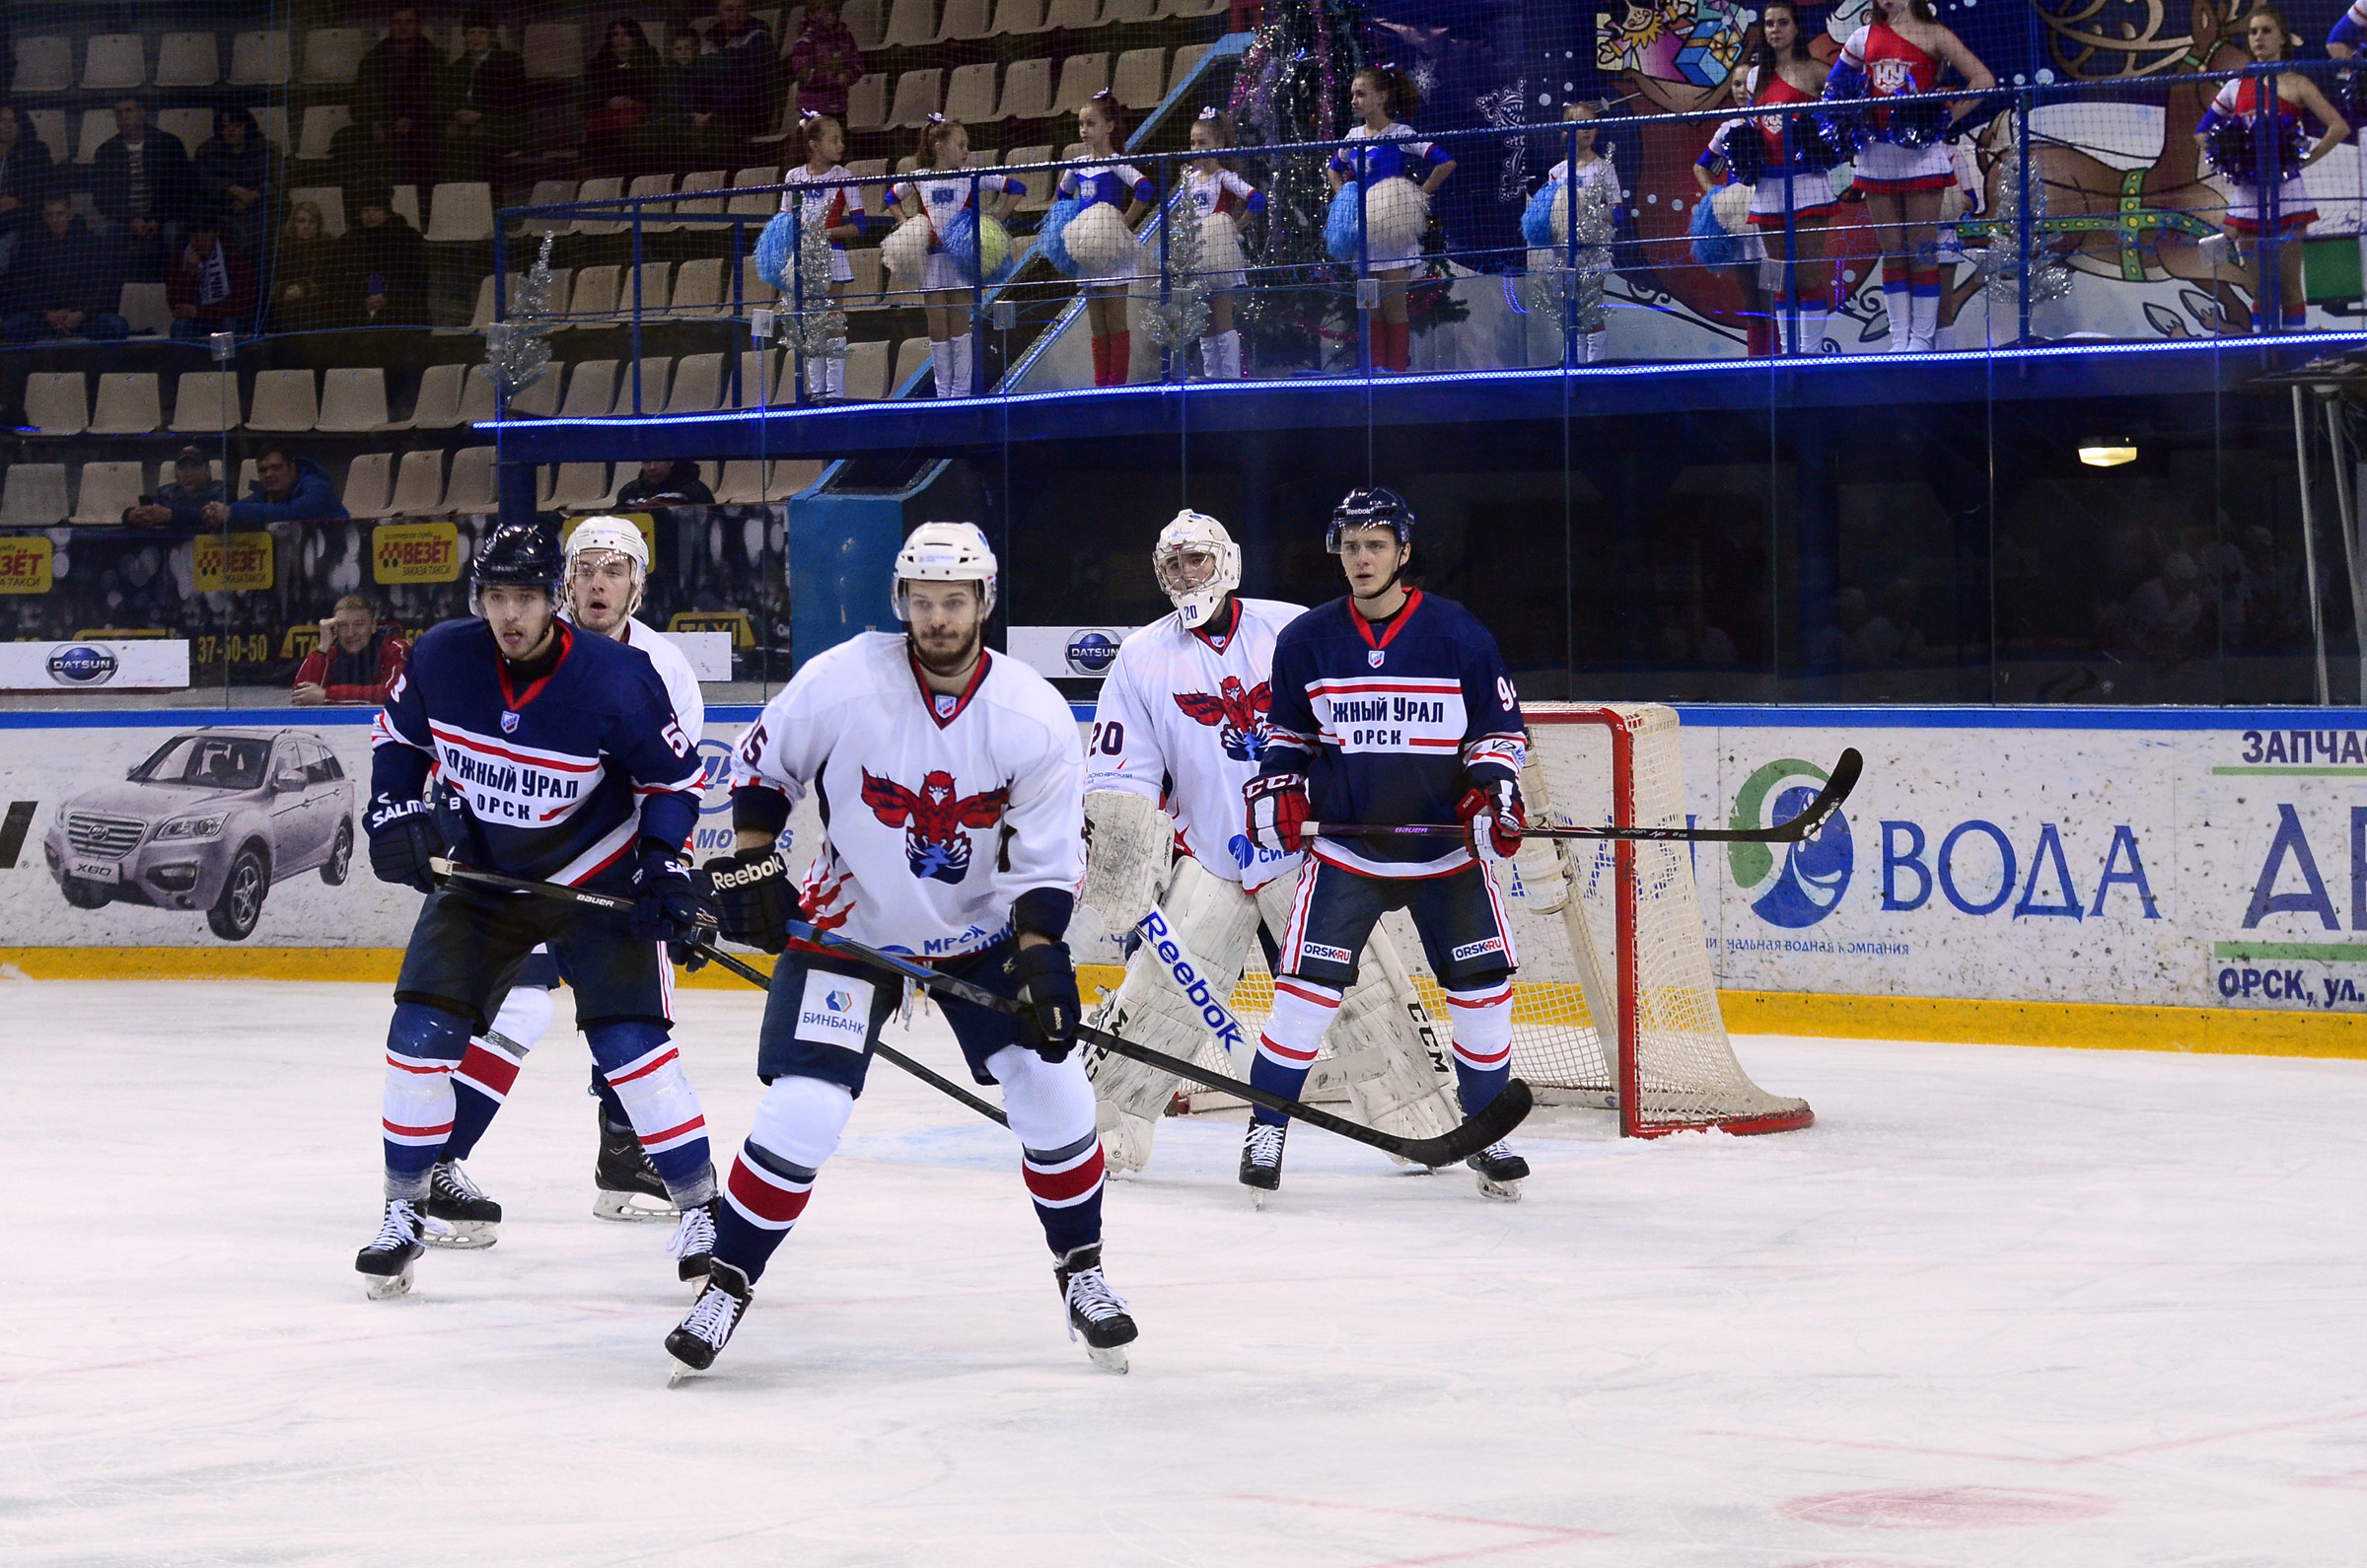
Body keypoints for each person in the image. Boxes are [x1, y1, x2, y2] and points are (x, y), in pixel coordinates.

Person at [679, 521, 1136, 1377]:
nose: (937, 619)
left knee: (1055, 1093)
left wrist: (1040, 956)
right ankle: (728, 1283)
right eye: (923, 602)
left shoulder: (1031, 712)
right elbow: (763, 770)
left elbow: (1045, 858)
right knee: (804, 1111)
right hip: (846, 933)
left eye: (954, 602)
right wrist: (752, 860)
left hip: (981, 938)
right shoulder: (841, 680)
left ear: (982, 604)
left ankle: (1083, 1273)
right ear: (902, 602)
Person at [355, 521, 717, 1299]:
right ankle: (402, 1211)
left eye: (525, 597)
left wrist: (665, 868)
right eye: (496, 597)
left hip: (596, 881)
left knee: (631, 1048)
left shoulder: (620, 677)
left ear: (553, 599)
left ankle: (698, 1210)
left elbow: (673, 782)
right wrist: (392, 810)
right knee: (417, 1038)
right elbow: (399, 740)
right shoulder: (443, 658)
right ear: (477, 598)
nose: (510, 615)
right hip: (486, 878)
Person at [1079, 512, 1460, 1175]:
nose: (1186, 575)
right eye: (1174, 565)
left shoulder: (1292, 628)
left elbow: (1363, 709)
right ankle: (1103, 1129)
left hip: (1308, 853)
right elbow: (1121, 770)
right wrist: (1122, 854)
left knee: (1364, 989)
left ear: (1226, 562)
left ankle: (1423, 1121)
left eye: (1197, 560)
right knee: (1161, 996)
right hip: (1213, 856)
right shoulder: (1141, 656)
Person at [1239, 487, 1532, 1200]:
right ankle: (1267, 1125)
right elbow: (1287, 738)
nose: (1361, 557)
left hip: (1445, 853)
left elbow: (1499, 732)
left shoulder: (1459, 636)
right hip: (1348, 852)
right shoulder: (1307, 640)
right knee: (1305, 993)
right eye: (1350, 544)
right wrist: (1282, 789)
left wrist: (1491, 786)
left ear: (1403, 551)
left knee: (1482, 990)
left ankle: (1486, 1128)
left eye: (1375, 544)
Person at [1822, 0, 1993, 352]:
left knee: (1923, 251)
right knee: (1893, 252)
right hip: (1876, 158)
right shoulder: (1862, 37)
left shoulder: (1935, 34)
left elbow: (1983, 80)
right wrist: (1849, 122)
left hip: (1922, 158)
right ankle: (1900, 339)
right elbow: (1831, 92)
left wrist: (1943, 119)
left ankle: (1922, 338)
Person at [2197, 5, 2348, 333]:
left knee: (2290, 286)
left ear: (2282, 38)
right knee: (2261, 290)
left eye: (2266, 31)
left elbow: (2338, 127)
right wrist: (2230, 161)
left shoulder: (2297, 83)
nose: (2258, 38)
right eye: (2253, 32)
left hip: (2289, 196)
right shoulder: (2236, 87)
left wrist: (2304, 160)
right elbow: (2201, 133)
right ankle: (2266, 362)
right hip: (2247, 198)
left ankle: (2293, 367)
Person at [1715, 3, 1841, 355]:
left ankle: (1811, 352)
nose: (1774, 30)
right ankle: (1788, 352)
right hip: (1768, 188)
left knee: (1808, 277)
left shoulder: (1818, 72)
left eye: (1782, 22)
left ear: (1796, 28)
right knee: (1779, 277)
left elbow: (1841, 123)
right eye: (1769, 23)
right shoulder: (1755, 77)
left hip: (1808, 185)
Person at [1328, 65, 1454, 373]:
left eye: (1361, 94)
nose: (1354, 100)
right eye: (1352, 95)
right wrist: (1345, 197)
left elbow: (1445, 162)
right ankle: (1374, 378)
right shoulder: (1353, 136)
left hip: (1393, 235)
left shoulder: (1400, 134)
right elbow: (1333, 167)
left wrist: (1417, 197)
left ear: (1381, 97)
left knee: (1395, 309)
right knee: (1370, 309)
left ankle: (1396, 377)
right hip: (1363, 234)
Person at [894, 116, 1023, 397]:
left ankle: (962, 394)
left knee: (960, 327)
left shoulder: (972, 175)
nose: (966, 151)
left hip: (962, 262)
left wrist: (998, 217)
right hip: (932, 262)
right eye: (960, 145)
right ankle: (943, 395)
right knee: (937, 328)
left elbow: (1016, 187)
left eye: (967, 145)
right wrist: (906, 223)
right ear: (940, 147)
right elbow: (892, 196)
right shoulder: (919, 178)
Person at [1060, 92, 1154, 389]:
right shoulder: (1076, 165)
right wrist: (1071, 222)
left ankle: (1118, 386)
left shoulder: (1116, 163)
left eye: (1091, 123)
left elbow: (1145, 187)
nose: (1084, 130)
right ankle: (1101, 385)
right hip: (1088, 253)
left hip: (1112, 251)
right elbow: (1062, 197)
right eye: (1081, 125)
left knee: (1115, 321)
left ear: (1110, 127)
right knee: (1097, 324)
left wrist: (1124, 221)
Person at [783, 110, 867, 399]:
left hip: (832, 255)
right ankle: (816, 390)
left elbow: (860, 226)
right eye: (833, 140)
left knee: (832, 320)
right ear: (814, 145)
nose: (841, 145)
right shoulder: (793, 176)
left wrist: (824, 234)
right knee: (811, 323)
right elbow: (785, 222)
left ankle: (835, 393)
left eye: (841, 139)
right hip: (805, 257)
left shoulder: (844, 176)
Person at [1182, 109, 1262, 381]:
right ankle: (1210, 378)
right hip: (1197, 253)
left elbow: (1257, 199)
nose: (1196, 148)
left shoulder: (1225, 177)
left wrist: (1237, 225)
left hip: (1220, 255)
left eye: (1203, 142)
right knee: (1204, 323)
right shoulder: (1189, 181)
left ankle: (1230, 379)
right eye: (1193, 142)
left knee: (1222, 318)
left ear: (1218, 144)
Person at [1542, 102, 1624, 365]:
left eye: (1591, 125)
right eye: (1580, 125)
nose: (1587, 131)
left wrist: (1588, 216)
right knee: (1569, 310)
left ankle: (1595, 367)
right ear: (1567, 131)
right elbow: (1549, 214)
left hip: (1593, 250)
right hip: (1563, 252)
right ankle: (1573, 364)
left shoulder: (1604, 168)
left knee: (1590, 309)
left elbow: (1618, 213)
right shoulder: (1557, 172)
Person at [91, 96, 192, 280]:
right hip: (124, 219)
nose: (123, 117)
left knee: (173, 233)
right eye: (118, 113)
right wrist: (130, 219)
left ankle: (177, 291)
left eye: (129, 111)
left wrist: (156, 219)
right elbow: (100, 198)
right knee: (102, 233)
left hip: (163, 217)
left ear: (142, 113)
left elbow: (181, 190)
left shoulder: (169, 144)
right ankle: (112, 296)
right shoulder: (106, 151)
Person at [2, 192, 127, 342]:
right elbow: (23, 287)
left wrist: (81, 314)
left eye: (60, 214)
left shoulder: (91, 244)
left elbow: (103, 287)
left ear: (69, 214)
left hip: (83, 320)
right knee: (11, 327)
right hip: (45, 322)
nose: (55, 220)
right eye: (50, 215)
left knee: (116, 325)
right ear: (44, 217)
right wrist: (46, 314)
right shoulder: (32, 247)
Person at [353, 5, 448, 189]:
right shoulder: (372, 61)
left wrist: (413, 120)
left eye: (408, 21)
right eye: (397, 22)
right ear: (390, 26)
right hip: (381, 126)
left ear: (418, 26)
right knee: (346, 139)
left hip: (421, 127)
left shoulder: (434, 59)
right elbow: (357, 104)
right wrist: (375, 123)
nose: (402, 26)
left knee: (423, 144)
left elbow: (442, 101)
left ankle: (422, 208)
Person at [444, 11, 527, 187]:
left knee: (476, 144)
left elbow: (514, 105)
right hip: (466, 127)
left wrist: (482, 117)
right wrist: (456, 114)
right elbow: (448, 101)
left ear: (492, 37)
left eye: (482, 33)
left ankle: (487, 202)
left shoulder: (510, 63)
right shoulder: (456, 67)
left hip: (501, 125)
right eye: (471, 33)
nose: (476, 38)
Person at [580, 19, 665, 178]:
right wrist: (608, 101)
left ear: (635, 37)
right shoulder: (597, 64)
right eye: (615, 34)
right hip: (607, 119)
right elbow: (588, 97)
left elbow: (654, 91)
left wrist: (632, 102)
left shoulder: (649, 59)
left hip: (640, 118)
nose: (619, 39)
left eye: (626, 34)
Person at [700, 0, 784, 157]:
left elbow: (752, 87)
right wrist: (696, 114)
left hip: (747, 114)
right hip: (710, 115)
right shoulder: (708, 41)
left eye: (740, 8)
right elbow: (699, 82)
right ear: (718, 12)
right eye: (729, 9)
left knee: (716, 134)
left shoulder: (759, 38)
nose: (735, 14)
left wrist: (713, 115)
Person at [294, 594, 410, 706]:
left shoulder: (396, 648)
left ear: (373, 626)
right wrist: (323, 648)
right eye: (343, 625)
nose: (350, 633)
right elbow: (301, 695)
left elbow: (394, 693)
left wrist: (327, 695)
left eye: (358, 624)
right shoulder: (331, 651)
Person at [194, 107, 280, 257]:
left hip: (259, 208)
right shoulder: (206, 151)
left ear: (247, 125)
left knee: (264, 231)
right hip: (222, 211)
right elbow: (203, 182)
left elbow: (279, 182)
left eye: (236, 125)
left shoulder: (269, 149)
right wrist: (231, 189)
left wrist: (252, 196)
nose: (230, 130)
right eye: (225, 126)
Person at [201, 444, 349, 528]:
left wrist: (232, 513)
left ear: (292, 469)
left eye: (276, 468)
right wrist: (213, 513)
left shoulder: (317, 489)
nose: (269, 474)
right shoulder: (267, 493)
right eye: (263, 470)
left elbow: (292, 514)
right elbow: (240, 506)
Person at [341, 187, 428, 327]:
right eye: (366, 210)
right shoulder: (347, 241)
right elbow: (341, 280)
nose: (371, 215)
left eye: (376, 209)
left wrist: (388, 297)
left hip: (400, 304)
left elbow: (417, 278)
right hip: (359, 305)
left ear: (387, 212)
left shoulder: (407, 238)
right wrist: (362, 298)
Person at [166, 213, 259, 339]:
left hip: (227, 316)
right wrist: (189, 274)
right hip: (198, 320)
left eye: (205, 232)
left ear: (216, 233)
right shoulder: (179, 257)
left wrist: (199, 312)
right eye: (194, 233)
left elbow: (243, 305)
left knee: (228, 325)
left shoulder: (235, 254)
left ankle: (228, 360)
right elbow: (176, 306)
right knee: (180, 327)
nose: (199, 239)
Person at [0, 105, 58, 282]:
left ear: (22, 125)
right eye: (3, 120)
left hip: (22, 220)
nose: (8, 126)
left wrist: (16, 202)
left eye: (14, 121)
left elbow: (42, 192)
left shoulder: (36, 152)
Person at [785, 0, 864, 122]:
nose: (829, 16)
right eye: (824, 12)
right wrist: (833, 78)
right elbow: (803, 73)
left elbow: (857, 64)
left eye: (831, 12)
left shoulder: (845, 37)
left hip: (839, 106)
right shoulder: (806, 40)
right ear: (812, 15)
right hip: (813, 108)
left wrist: (847, 75)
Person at [269, 201, 341, 334]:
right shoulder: (282, 247)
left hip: (320, 309)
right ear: (294, 223)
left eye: (311, 222)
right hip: (287, 309)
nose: (306, 226)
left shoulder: (329, 246)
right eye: (301, 221)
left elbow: (333, 280)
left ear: (318, 224)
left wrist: (305, 288)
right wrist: (285, 290)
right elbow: (274, 278)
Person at [123, 447, 225, 526]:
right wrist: (131, 515)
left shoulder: (221, 490)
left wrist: (170, 515)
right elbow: (149, 511)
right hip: (170, 547)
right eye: (182, 468)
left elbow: (211, 515)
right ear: (175, 473)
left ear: (208, 470)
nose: (188, 473)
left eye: (196, 467)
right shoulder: (165, 493)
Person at [614, 457, 717, 507]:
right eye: (647, 462)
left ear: (671, 462)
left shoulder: (693, 490)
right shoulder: (629, 492)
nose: (652, 467)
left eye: (659, 461)